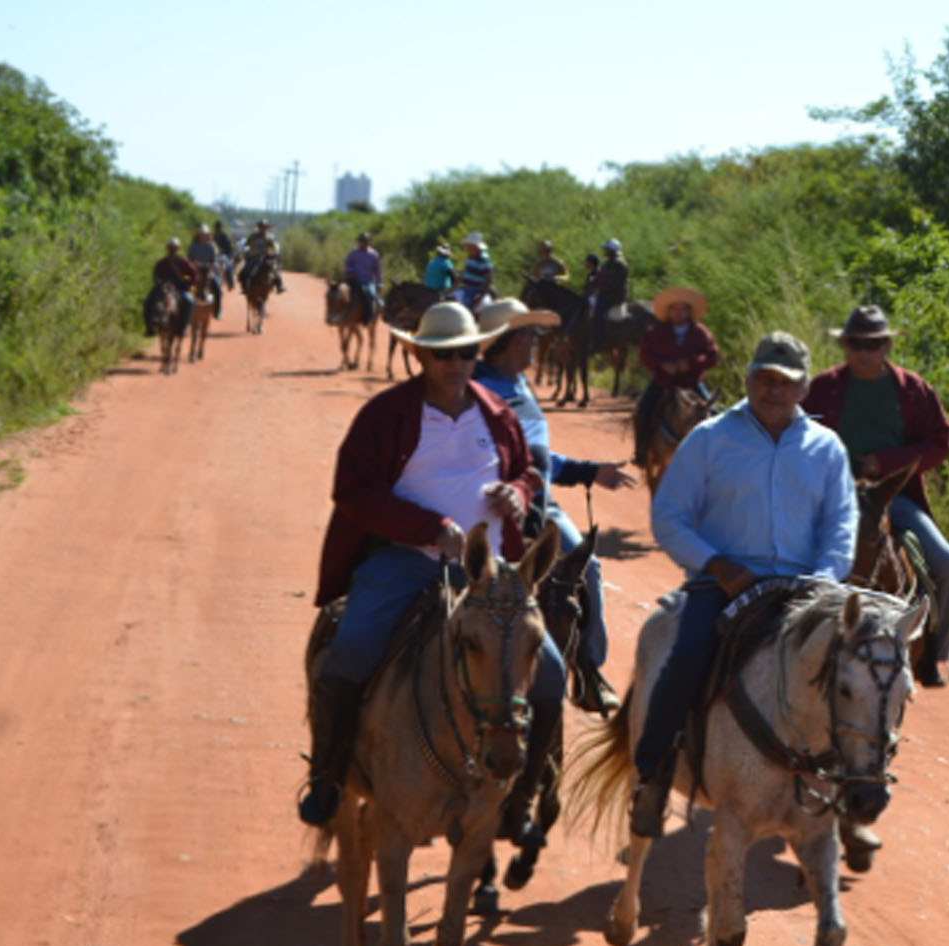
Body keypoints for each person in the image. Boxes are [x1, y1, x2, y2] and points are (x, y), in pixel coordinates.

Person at [297, 301, 567, 827]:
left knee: (551, 673)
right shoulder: (385, 415)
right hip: (405, 561)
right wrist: (429, 529)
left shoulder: (497, 411)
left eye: (466, 351)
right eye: (443, 353)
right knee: (349, 651)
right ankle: (329, 774)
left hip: (490, 576)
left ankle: (522, 794)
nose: (456, 362)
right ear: (420, 353)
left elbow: (523, 473)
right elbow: (352, 492)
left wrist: (516, 494)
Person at [629, 331, 857, 838]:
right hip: (724, 583)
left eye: (786, 382)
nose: (773, 390)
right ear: (749, 377)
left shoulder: (826, 448)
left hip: (804, 586)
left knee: (859, 670)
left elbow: (841, 525)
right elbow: (669, 515)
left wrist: (823, 579)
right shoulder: (710, 439)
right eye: (764, 379)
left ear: (803, 390)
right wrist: (715, 564)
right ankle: (653, 775)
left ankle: (850, 787)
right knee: (687, 655)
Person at [473, 297, 635, 714]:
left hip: (541, 504)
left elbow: (540, 457)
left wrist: (588, 471)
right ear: (508, 341)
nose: (536, 343)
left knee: (587, 567)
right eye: (530, 335)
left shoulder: (521, 386)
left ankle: (586, 670)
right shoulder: (484, 390)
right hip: (501, 510)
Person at [803, 305, 949, 687]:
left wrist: (886, 462)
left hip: (894, 496)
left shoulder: (913, 389)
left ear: (886, 345)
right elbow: (798, 436)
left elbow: (941, 442)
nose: (863, 352)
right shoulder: (822, 388)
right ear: (845, 346)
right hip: (830, 496)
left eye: (872, 344)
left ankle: (933, 656)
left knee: (946, 562)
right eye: (856, 344)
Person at [633, 285, 719, 466]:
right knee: (644, 408)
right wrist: (662, 365)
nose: (679, 313)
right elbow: (645, 355)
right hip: (663, 382)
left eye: (683, 309)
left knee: (715, 414)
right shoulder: (655, 332)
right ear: (669, 311)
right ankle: (641, 450)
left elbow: (712, 355)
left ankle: (717, 456)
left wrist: (690, 363)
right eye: (675, 309)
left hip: (691, 382)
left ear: (689, 312)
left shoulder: (700, 332)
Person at [144, 237, 197, 337]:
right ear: (167, 249)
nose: (172, 250)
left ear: (178, 249)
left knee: (189, 300)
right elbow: (155, 274)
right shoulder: (162, 262)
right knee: (148, 301)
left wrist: (188, 282)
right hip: (163, 286)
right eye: (170, 248)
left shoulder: (183, 262)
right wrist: (158, 282)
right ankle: (150, 327)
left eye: (174, 248)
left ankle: (183, 327)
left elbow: (194, 274)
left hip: (179, 287)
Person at [590, 237, 628, 356]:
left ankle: (599, 342)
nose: (604, 251)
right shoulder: (607, 263)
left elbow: (614, 283)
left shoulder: (620, 264)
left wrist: (600, 289)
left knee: (598, 312)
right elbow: (600, 277)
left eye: (606, 249)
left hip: (614, 296)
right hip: (605, 294)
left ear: (611, 251)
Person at [343, 232, 383, 325]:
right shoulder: (353, 253)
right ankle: (340, 315)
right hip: (353, 280)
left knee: (370, 295)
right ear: (358, 242)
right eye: (362, 241)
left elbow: (377, 270)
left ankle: (368, 317)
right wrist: (351, 270)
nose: (364, 243)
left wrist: (380, 282)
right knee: (341, 292)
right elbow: (347, 264)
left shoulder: (374, 254)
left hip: (367, 281)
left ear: (369, 242)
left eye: (366, 241)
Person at [185, 224, 223, 319]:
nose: (204, 236)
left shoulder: (211, 246)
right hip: (195, 270)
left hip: (207, 270)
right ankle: (184, 314)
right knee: (185, 287)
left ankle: (217, 311)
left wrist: (211, 266)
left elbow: (214, 259)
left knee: (217, 289)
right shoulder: (193, 246)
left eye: (205, 234)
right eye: (202, 234)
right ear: (198, 235)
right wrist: (193, 265)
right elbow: (189, 259)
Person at [239, 220, 285, 293]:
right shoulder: (253, 236)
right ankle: (245, 287)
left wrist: (274, 252)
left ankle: (279, 285)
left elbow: (274, 246)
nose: (263, 229)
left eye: (265, 227)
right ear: (258, 227)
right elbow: (246, 245)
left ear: (267, 228)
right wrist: (245, 251)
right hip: (253, 257)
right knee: (244, 271)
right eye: (261, 227)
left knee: (274, 269)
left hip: (266, 257)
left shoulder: (269, 237)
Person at [452, 232, 493, 310]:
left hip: (475, 289)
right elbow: (465, 272)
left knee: (464, 306)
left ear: (473, 246)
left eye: (467, 244)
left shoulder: (483, 258)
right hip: (466, 287)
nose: (466, 246)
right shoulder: (470, 256)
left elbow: (488, 278)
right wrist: (454, 286)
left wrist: (481, 295)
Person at [212, 220, 236, 291]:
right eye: (218, 227)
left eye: (220, 227)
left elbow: (229, 247)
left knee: (228, 266)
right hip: (213, 255)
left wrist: (229, 254)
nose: (219, 228)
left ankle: (230, 282)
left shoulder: (224, 236)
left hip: (223, 255)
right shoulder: (212, 235)